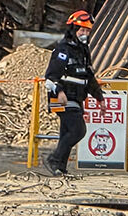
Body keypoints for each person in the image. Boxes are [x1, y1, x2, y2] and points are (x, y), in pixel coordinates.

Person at [42, 10, 103, 176]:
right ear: (73, 29)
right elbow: (51, 76)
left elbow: (89, 77)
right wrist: (59, 91)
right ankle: (54, 159)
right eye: (81, 30)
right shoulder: (63, 49)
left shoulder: (84, 51)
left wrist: (100, 97)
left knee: (66, 132)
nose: (84, 34)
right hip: (63, 97)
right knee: (78, 130)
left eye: (87, 31)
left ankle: (60, 167)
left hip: (77, 98)